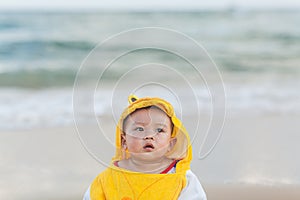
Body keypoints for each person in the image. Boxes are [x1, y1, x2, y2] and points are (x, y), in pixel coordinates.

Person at [84, 95, 207, 200]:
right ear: (124, 140)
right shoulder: (107, 179)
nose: (149, 136)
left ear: (171, 143)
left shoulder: (182, 178)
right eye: (139, 129)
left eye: (159, 130)